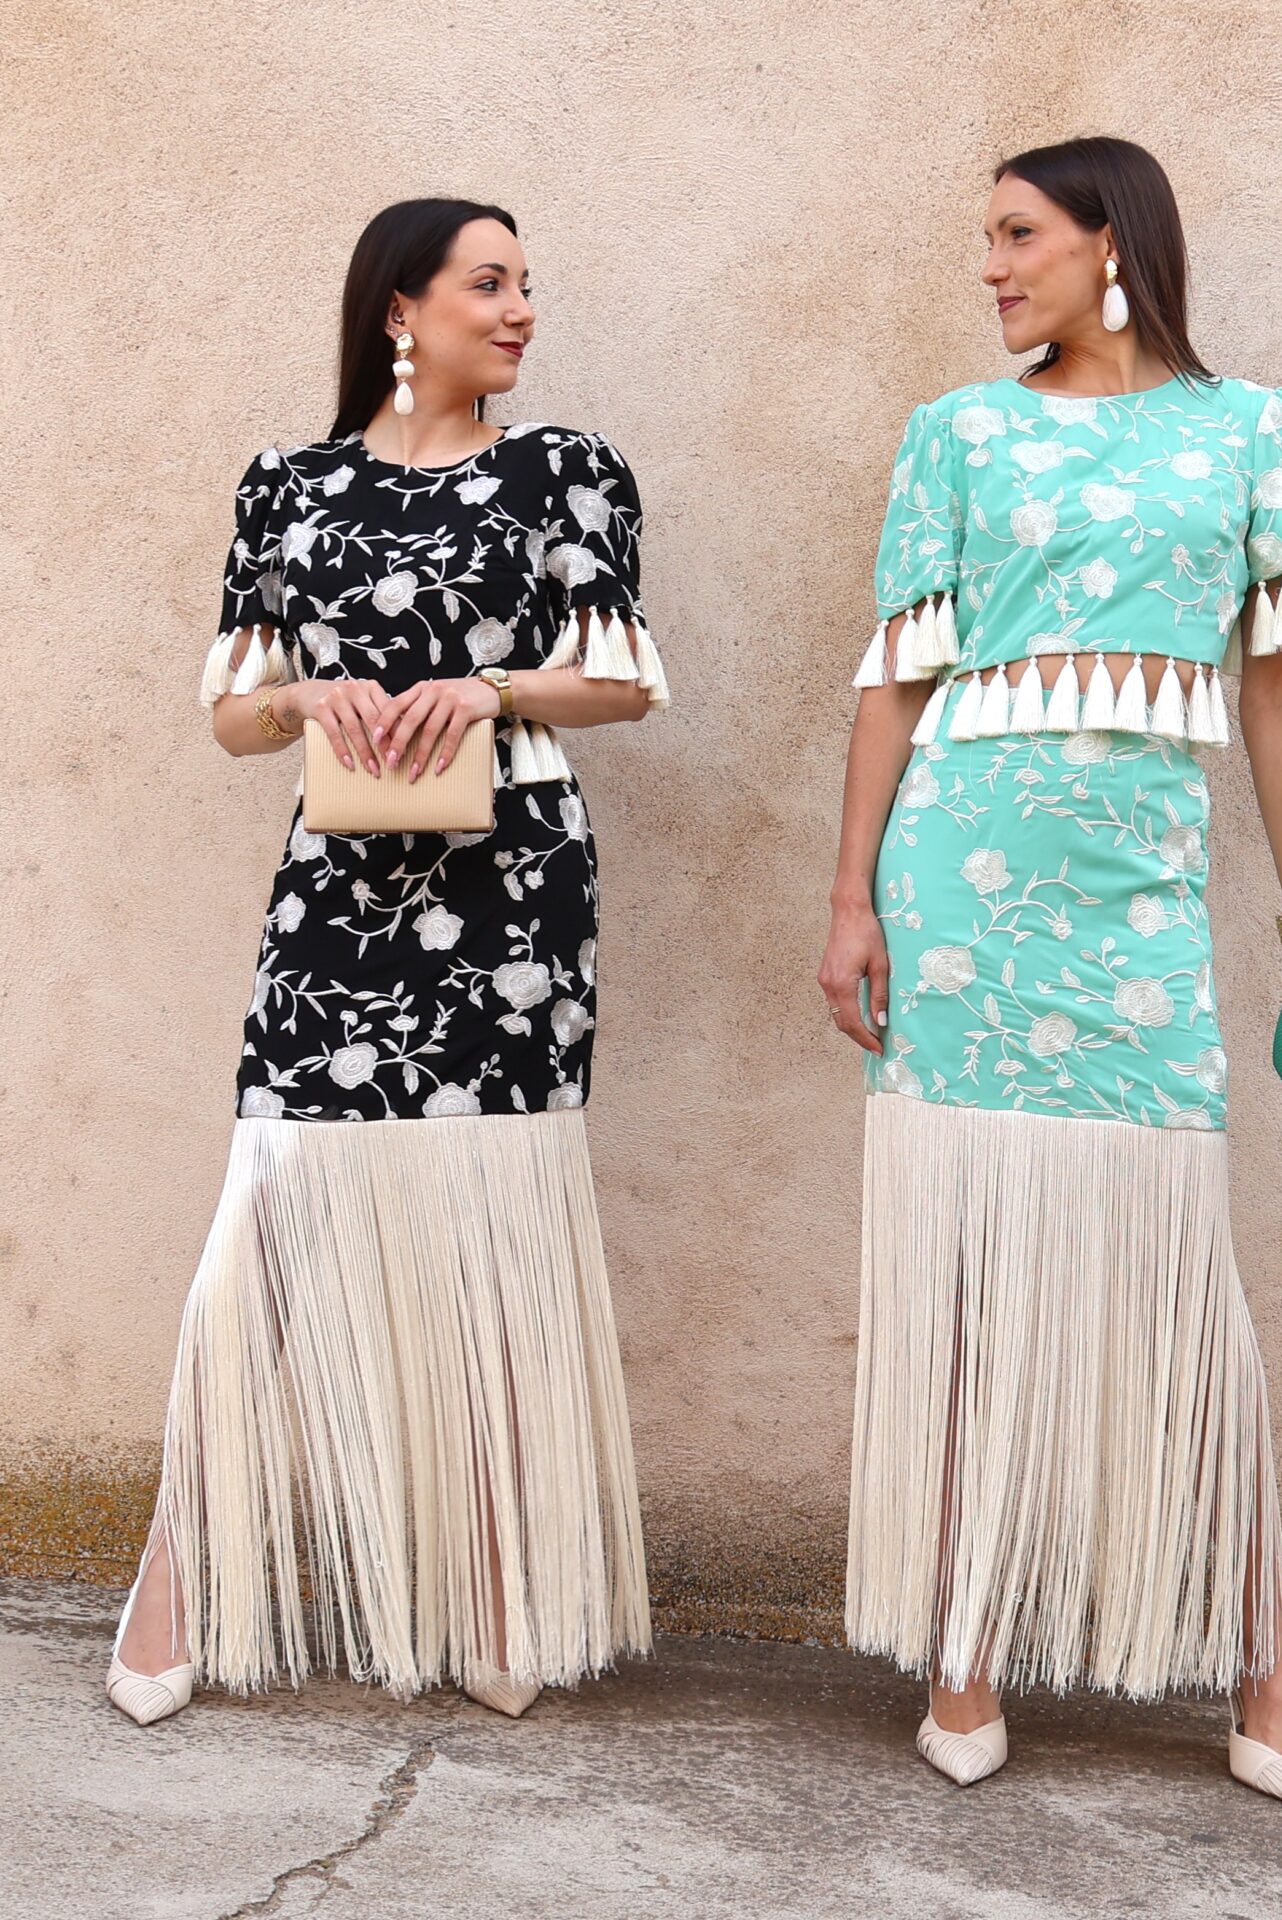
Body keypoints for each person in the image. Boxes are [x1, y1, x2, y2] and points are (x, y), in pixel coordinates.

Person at [819, 137, 1282, 1800]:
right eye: (986, 239)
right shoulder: (956, 433)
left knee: (1177, 1275)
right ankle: (967, 1647)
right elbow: (895, 682)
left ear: (1109, 241)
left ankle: (1263, 1662)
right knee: (969, 1271)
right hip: (960, 883)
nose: (991, 267)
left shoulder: (1252, 429)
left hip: (1139, 905)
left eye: (1017, 235)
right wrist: (852, 898)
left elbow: (1280, 687)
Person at [107, 197, 664, 1727]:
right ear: (400, 309)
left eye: (528, 284)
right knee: (272, 1213)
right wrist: (309, 700)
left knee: (492, 1219)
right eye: (490, 283)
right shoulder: (287, 486)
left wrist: (487, 687)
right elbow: (232, 717)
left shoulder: (567, 469)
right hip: (336, 889)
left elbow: (622, 682)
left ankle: (496, 1592)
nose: (522, 308)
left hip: (514, 886)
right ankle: (180, 1583)